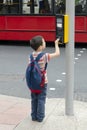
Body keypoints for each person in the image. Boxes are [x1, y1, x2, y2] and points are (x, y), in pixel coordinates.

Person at [28, 35, 60, 122]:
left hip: (32, 82)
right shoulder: (44, 56)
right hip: (42, 82)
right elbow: (57, 54)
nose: (45, 42)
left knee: (34, 99)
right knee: (41, 99)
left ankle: (33, 116)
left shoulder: (30, 56)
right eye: (44, 41)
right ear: (41, 46)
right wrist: (56, 44)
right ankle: (40, 117)